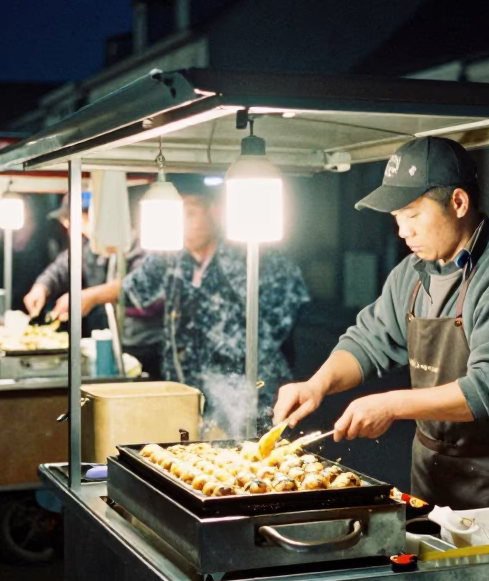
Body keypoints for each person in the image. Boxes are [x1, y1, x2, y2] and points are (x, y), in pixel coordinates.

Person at [273, 136, 489, 511]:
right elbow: (368, 341)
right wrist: (317, 384)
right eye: (396, 219)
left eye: (412, 215)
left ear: (458, 203)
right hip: (431, 472)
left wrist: (393, 405)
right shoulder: (411, 274)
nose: (402, 232)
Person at [64, 176, 310, 429]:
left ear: (214, 212)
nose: (181, 224)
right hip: (187, 391)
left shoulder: (257, 256)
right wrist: (90, 296)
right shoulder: (171, 254)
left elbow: (284, 311)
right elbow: (134, 286)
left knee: (253, 459)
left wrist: (225, 354)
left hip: (248, 392)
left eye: (190, 213)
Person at [23, 194, 163, 377]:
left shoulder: (137, 243)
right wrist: (42, 286)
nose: (67, 226)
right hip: (109, 340)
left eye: (70, 219)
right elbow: (62, 266)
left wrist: (90, 296)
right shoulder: (88, 244)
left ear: (94, 217)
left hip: (145, 345)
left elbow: (140, 285)